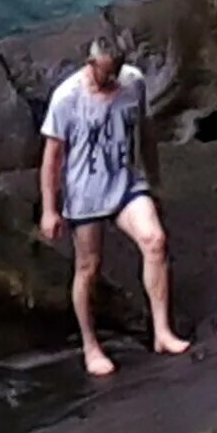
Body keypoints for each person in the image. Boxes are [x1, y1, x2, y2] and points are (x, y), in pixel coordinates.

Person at [38, 34, 193, 376]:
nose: (111, 80)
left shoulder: (133, 83)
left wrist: (154, 180)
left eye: (116, 72)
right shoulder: (67, 98)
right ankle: (90, 345)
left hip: (125, 182)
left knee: (155, 241)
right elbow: (52, 157)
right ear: (90, 64)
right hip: (85, 195)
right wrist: (50, 209)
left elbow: (146, 132)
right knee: (88, 268)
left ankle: (162, 331)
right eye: (105, 73)